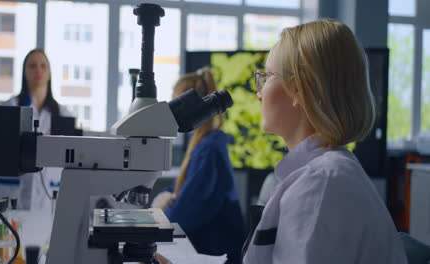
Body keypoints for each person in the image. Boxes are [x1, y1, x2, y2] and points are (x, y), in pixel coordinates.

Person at [243, 19, 407, 263]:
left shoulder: (321, 186)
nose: (259, 92)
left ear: (299, 90)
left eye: (266, 77)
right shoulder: (324, 174)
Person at [152, 67, 246, 263]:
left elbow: (184, 215)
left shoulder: (210, 150)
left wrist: (158, 213)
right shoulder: (204, 143)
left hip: (218, 255)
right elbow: (181, 187)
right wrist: (163, 198)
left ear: (188, 108)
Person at [0, 49, 71, 210]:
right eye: (32, 66)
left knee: (46, 232)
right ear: (24, 72)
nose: (38, 70)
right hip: (12, 187)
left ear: (49, 72)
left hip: (49, 188)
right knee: (8, 231)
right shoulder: (10, 107)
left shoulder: (62, 113)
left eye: (43, 66)